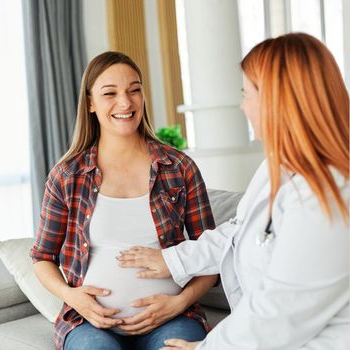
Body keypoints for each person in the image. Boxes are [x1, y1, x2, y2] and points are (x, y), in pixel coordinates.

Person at [117, 33, 349, 349]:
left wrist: (207, 348)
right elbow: (238, 233)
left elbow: (280, 313)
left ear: (276, 100)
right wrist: (172, 260)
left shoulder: (328, 195)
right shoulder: (276, 169)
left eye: (247, 94)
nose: (242, 106)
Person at [30, 51, 218, 350]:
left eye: (134, 89)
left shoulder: (179, 168)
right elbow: (42, 258)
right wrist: (73, 297)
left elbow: (211, 255)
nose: (125, 102)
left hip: (172, 317)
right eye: (110, 93)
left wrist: (178, 302)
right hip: (90, 323)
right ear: (90, 103)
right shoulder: (68, 176)